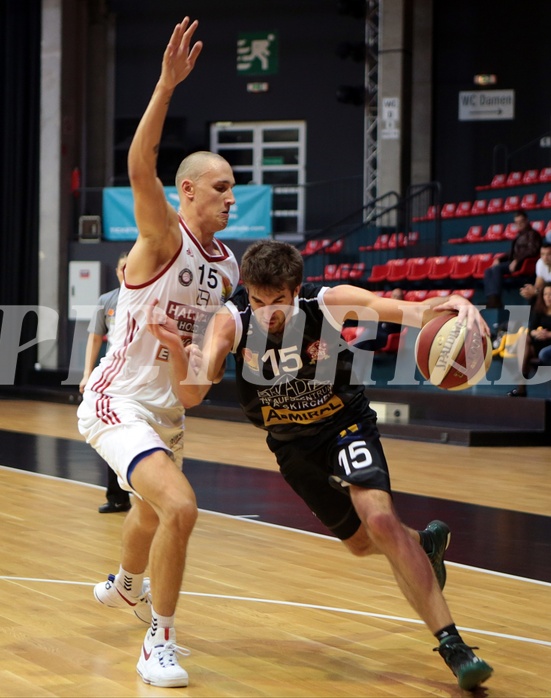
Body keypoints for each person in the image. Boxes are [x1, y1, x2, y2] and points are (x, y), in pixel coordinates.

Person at [148, 240, 494, 691]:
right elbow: (197, 389)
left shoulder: (326, 303)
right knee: (360, 543)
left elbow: (408, 310)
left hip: (344, 426)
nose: (267, 312)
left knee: (380, 520)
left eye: (277, 302)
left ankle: (454, 647)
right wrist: (183, 352)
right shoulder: (229, 322)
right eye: (257, 301)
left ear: (296, 291)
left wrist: (455, 306)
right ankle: (424, 546)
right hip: (292, 448)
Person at [77, 17, 239, 689]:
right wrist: (166, 86)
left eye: (234, 187)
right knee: (181, 508)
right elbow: (139, 164)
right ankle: (158, 644)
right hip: (117, 401)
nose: (231, 197)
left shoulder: (226, 270)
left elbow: (198, 384)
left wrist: (187, 359)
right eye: (221, 186)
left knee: (148, 515)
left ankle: (124, 585)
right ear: (189, 191)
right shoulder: (162, 237)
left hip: (168, 409)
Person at [79, 252, 131, 514]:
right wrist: (87, 373)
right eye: (123, 267)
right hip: (114, 378)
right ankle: (118, 497)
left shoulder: (149, 298)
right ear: (118, 271)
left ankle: (148, 496)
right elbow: (95, 338)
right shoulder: (107, 300)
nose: (127, 271)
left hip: (142, 379)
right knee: (114, 435)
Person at [484, 210, 542, 308]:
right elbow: (511, 252)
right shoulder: (519, 235)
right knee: (488, 270)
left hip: (523, 263)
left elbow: (533, 250)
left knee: (497, 269)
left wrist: (517, 260)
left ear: (527, 221)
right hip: (515, 262)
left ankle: (495, 300)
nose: (519, 224)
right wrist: (499, 259)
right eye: (517, 222)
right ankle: (491, 298)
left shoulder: (533, 234)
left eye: (521, 222)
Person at [507, 282, 551, 397]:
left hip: (549, 346)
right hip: (538, 344)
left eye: (550, 294)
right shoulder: (539, 309)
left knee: (536, 352)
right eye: (545, 294)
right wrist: (536, 332)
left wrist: (548, 335)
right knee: (524, 338)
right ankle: (521, 386)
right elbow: (531, 329)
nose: (548, 297)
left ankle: (521, 381)